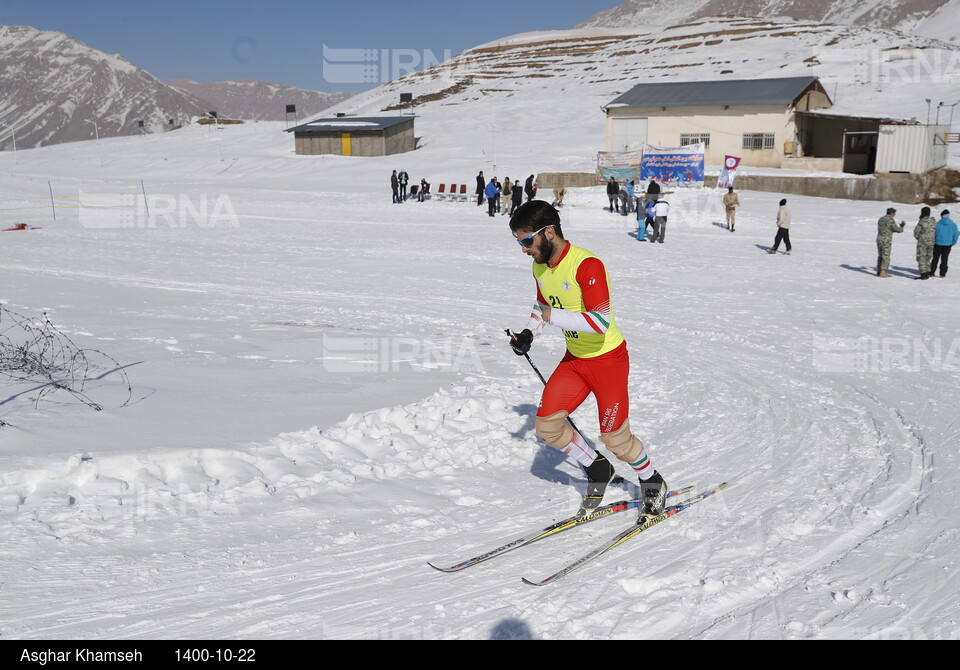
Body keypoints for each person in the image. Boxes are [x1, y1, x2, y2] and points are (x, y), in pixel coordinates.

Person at [507, 201, 668, 517]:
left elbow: (600, 322)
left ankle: (652, 482)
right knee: (548, 427)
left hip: (608, 361)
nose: (523, 249)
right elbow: (542, 307)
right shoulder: (539, 266)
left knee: (616, 440)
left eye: (526, 241)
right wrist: (529, 333)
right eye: (518, 242)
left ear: (548, 232)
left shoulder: (587, 265)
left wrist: (554, 316)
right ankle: (597, 469)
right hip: (576, 361)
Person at [876, 207, 906, 277]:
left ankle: (879, 271)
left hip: (879, 239)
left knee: (880, 256)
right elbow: (897, 230)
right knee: (885, 256)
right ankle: (883, 272)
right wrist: (901, 227)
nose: (894, 214)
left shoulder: (881, 219)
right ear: (891, 213)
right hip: (886, 240)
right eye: (894, 213)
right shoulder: (890, 220)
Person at [931, 209, 959, 278]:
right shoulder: (953, 225)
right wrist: (953, 242)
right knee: (944, 259)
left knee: (935, 258)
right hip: (948, 245)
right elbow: (956, 234)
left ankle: (931, 273)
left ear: (942, 216)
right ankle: (942, 274)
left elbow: (933, 234)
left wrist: (934, 241)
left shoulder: (937, 224)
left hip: (937, 244)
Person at [914, 206, 938, 280]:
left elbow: (916, 232)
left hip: (922, 242)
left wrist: (919, 238)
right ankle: (927, 272)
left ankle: (923, 274)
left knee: (921, 257)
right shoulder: (933, 221)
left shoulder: (922, 221)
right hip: (931, 242)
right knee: (928, 257)